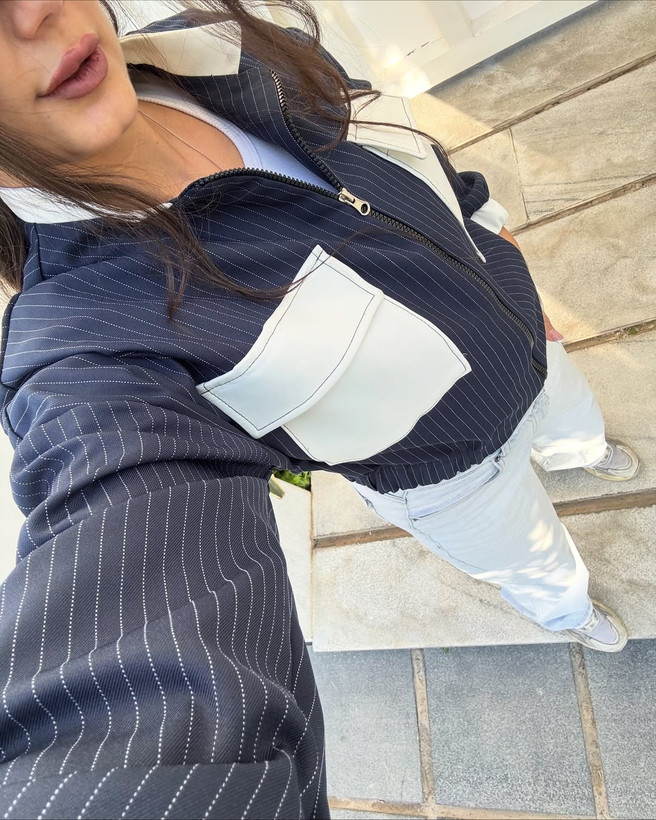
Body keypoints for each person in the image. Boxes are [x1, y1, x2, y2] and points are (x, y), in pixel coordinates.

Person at [0, 0, 639, 817]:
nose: (32, 13)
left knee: (578, 429)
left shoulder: (224, 45)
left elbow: (402, 151)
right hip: (457, 479)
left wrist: (489, 229)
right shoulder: (90, 345)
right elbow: (136, 662)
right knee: (534, 561)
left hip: (534, 342)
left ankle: (580, 452)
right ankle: (567, 610)